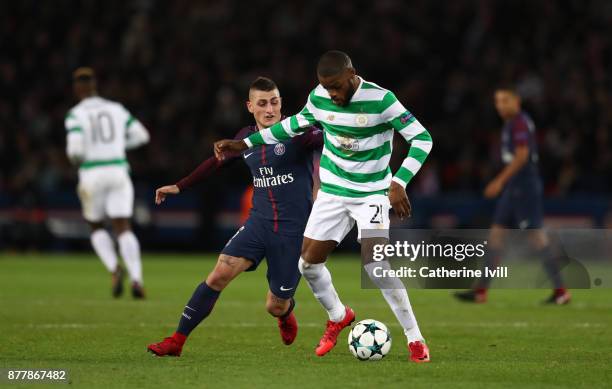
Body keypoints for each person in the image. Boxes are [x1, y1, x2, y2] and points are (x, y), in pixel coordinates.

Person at [215, 51, 433, 363]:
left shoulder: (382, 100)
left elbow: (422, 139)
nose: (332, 94)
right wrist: (245, 144)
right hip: (332, 192)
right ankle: (338, 315)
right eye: (327, 88)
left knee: (376, 266)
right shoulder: (319, 97)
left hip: (372, 192)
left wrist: (399, 181)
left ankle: (415, 339)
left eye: (337, 87)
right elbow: (292, 126)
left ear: (352, 75)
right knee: (308, 264)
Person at [147, 77, 323, 356]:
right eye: (262, 103)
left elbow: (327, 138)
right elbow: (215, 162)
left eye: (274, 102)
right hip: (258, 223)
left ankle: (285, 312)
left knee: (274, 305)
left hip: (293, 231)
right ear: (250, 106)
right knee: (219, 273)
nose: (270, 109)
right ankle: (177, 341)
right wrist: (179, 186)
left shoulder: (298, 132)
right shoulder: (244, 137)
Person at [454, 86, 570, 304]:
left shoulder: (519, 123)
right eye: (498, 101)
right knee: (496, 235)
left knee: (537, 237)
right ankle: (481, 291)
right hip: (514, 188)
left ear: (517, 101)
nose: (500, 105)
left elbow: (522, 156)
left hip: (524, 187)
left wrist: (499, 181)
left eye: (505, 100)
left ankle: (561, 291)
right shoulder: (511, 123)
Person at [65, 67, 149, 299]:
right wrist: (118, 146)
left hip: (92, 173)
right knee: (123, 226)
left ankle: (114, 268)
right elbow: (142, 136)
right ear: (94, 86)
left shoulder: (75, 114)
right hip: (118, 170)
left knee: (95, 225)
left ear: (76, 88)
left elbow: (74, 151)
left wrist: (78, 158)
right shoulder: (116, 109)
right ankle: (137, 278)